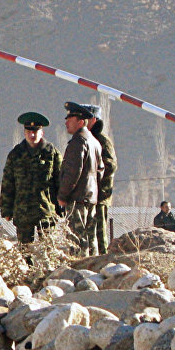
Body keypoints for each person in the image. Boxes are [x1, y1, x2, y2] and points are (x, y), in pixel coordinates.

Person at [0, 112, 62, 243]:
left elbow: (60, 181)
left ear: (42, 133)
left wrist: (61, 207)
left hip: (46, 211)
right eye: (29, 131)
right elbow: (8, 182)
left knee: (48, 249)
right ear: (24, 133)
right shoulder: (16, 154)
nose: (32, 135)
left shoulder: (51, 153)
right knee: (25, 250)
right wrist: (6, 210)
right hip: (23, 212)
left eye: (35, 131)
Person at [58, 102, 102, 256]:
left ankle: (80, 268)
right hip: (90, 199)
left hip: (77, 200)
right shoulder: (94, 142)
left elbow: (73, 172)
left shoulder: (78, 142)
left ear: (81, 122)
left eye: (70, 119)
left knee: (77, 242)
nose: (66, 122)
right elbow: (100, 171)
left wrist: (63, 195)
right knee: (91, 241)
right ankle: (93, 268)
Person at [83, 104, 117, 254]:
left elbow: (110, 165)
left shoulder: (102, 140)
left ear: (94, 120)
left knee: (99, 233)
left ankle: (102, 259)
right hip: (86, 196)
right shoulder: (84, 139)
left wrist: (92, 176)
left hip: (100, 196)